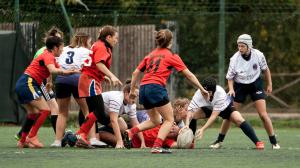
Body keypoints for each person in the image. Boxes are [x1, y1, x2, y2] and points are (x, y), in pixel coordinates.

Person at [123, 29, 209, 154]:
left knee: (156, 121)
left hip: (143, 88)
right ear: (171, 42)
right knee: (169, 120)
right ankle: (157, 146)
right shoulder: (172, 55)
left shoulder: (150, 55)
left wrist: (132, 91)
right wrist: (202, 89)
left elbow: (135, 73)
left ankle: (131, 132)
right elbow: (189, 75)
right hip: (156, 88)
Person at [210, 34, 280, 149]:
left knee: (263, 114)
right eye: (238, 46)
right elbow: (230, 77)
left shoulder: (258, 55)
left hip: (255, 85)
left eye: (242, 46)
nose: (240, 48)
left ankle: (274, 142)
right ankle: (219, 141)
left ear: (249, 46)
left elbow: (266, 70)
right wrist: (231, 89)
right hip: (240, 86)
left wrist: (270, 84)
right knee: (229, 115)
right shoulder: (234, 59)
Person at [15, 36, 78, 148]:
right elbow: (53, 70)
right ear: (55, 48)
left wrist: (74, 71)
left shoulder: (50, 56)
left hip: (24, 83)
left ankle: (22, 140)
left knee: (33, 113)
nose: (63, 50)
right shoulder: (48, 55)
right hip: (28, 83)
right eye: (61, 47)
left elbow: (60, 69)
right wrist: (68, 72)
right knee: (45, 109)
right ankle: (32, 137)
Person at [65, 25, 122, 148]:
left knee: (92, 111)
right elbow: (99, 64)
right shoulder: (102, 47)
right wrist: (112, 76)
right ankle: (80, 134)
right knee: (99, 111)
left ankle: (78, 136)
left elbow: (93, 64)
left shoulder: (97, 44)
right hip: (90, 81)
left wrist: (103, 76)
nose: (116, 41)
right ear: (108, 37)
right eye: (115, 38)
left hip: (87, 79)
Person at [50, 32, 106, 147]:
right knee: (88, 111)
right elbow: (90, 67)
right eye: (90, 42)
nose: (90, 44)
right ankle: (92, 138)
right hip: (78, 79)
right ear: (86, 41)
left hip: (62, 79)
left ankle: (57, 141)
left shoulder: (64, 49)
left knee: (62, 112)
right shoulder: (86, 51)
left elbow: (56, 64)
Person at [182, 77, 265, 149]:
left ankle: (258, 142)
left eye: (208, 92)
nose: (204, 94)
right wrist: (186, 125)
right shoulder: (198, 93)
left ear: (213, 91)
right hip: (208, 108)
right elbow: (190, 110)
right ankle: (191, 142)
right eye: (203, 91)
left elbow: (214, 115)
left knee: (238, 119)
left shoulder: (220, 93)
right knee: (192, 116)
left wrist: (203, 129)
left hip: (225, 108)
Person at [15, 27, 63, 142]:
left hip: (42, 82)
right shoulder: (45, 51)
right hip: (38, 83)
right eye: (57, 38)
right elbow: (45, 68)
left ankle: (23, 134)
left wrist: (50, 81)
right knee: (50, 108)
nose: (60, 41)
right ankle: (53, 137)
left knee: (43, 110)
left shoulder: (54, 51)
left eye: (60, 39)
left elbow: (50, 68)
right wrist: (49, 82)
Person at [77, 80, 146, 148]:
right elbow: (113, 120)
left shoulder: (132, 105)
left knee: (123, 126)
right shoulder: (117, 99)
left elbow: (136, 124)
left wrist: (142, 142)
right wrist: (119, 142)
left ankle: (100, 132)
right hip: (90, 115)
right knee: (93, 142)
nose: (134, 100)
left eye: (136, 97)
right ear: (126, 93)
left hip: (104, 116)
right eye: (133, 96)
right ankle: (71, 136)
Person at [98, 123, 180, 149]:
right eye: (173, 128)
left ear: (173, 137)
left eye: (173, 133)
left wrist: (190, 141)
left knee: (102, 134)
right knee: (119, 126)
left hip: (131, 144)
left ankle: (94, 136)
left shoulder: (168, 140)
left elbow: (179, 144)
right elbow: (138, 127)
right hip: (132, 130)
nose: (171, 130)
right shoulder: (159, 123)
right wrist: (143, 142)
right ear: (173, 124)